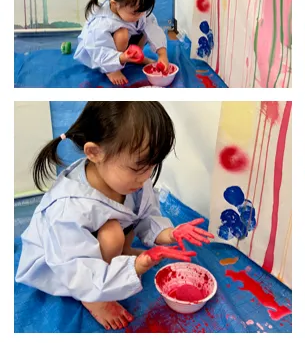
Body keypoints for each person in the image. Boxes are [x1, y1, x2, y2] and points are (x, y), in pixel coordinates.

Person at [15, 102, 214, 330]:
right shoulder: (68, 209)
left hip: (95, 238)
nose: (146, 176)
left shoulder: (130, 178)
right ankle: (94, 300)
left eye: (152, 165)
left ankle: (120, 257)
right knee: (111, 235)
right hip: (64, 261)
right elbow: (75, 269)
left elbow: (146, 215)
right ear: (94, 153)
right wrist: (134, 268)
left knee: (119, 225)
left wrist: (171, 233)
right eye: (138, 167)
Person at [74, 0, 169, 86]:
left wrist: (162, 54)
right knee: (122, 34)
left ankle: (136, 57)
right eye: (135, 13)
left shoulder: (135, 11)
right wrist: (121, 58)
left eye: (143, 11)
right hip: (100, 51)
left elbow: (153, 28)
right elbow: (99, 49)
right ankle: (112, 69)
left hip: (125, 42)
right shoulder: (101, 23)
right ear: (115, 4)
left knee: (147, 25)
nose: (141, 15)